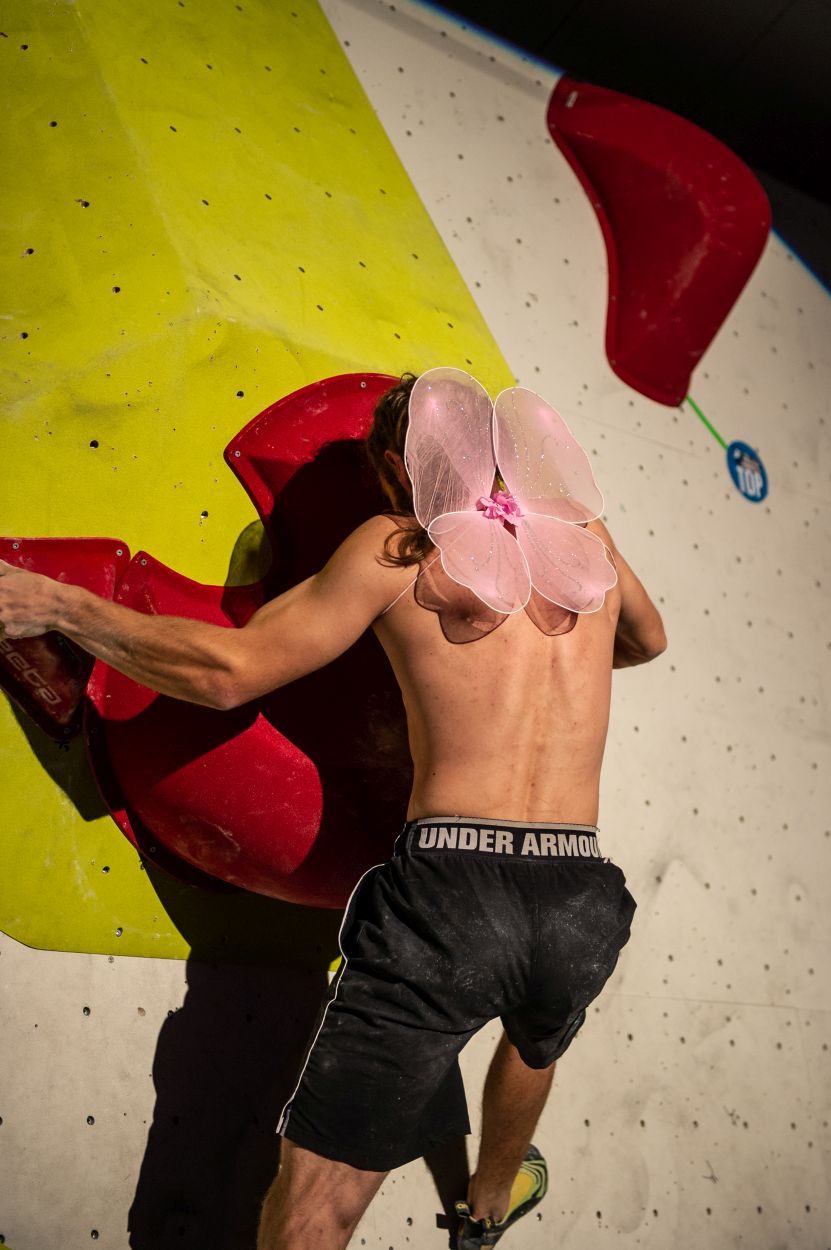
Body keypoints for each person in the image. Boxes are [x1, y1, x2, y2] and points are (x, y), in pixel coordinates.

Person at [0, 370, 666, 1250]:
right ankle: (489, 1206)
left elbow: (230, 672)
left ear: (401, 467)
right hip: (580, 890)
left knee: (318, 1203)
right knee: (538, 1037)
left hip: (454, 888)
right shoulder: (587, 539)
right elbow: (648, 639)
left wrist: (61, 606)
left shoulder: (400, 546)